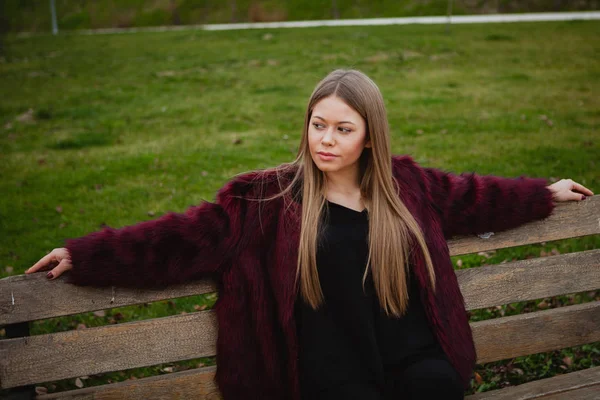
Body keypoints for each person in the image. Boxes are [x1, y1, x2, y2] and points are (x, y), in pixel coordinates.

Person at [26, 69, 593, 400]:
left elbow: (476, 197)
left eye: (343, 129)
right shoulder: (265, 200)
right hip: (325, 382)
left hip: (414, 371)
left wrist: (544, 194)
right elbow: (176, 240)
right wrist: (86, 254)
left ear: (370, 138)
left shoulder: (407, 186)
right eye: (317, 124)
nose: (325, 139)